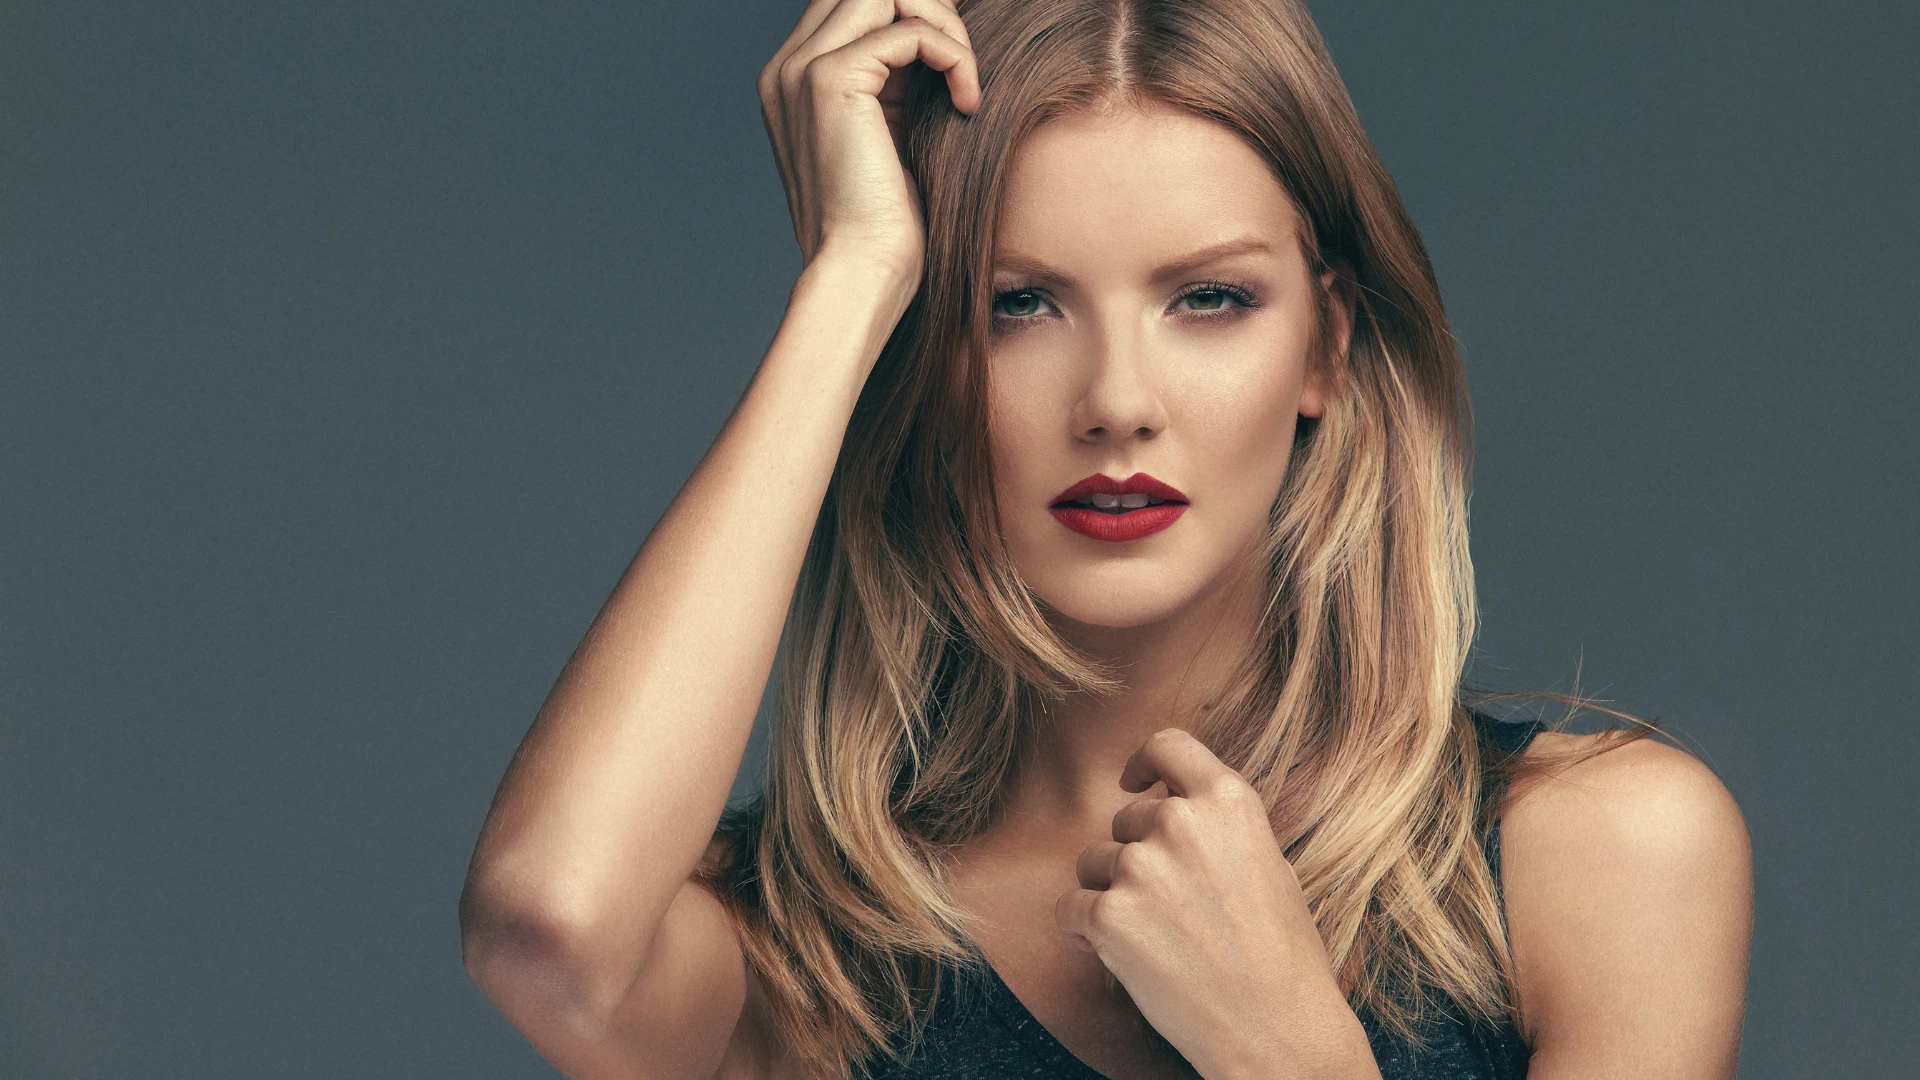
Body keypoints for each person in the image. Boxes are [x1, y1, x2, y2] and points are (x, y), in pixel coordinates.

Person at [458, 1, 1754, 1077]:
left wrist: (1285, 1050)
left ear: (1326, 345)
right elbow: (548, 932)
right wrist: (852, 279)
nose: (1118, 402)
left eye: (1210, 299)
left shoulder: (1600, 857)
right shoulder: (805, 961)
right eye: (1016, 305)